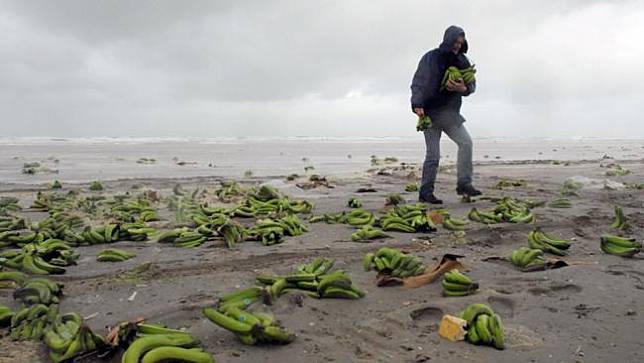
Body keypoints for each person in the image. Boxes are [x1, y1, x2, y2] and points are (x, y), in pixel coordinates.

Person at [410, 25, 482, 204]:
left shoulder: (463, 62)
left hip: (450, 115)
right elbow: (418, 82)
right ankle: (426, 193)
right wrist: (417, 104)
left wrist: (463, 88)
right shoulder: (430, 58)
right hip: (430, 114)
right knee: (433, 155)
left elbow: (472, 85)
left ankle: (464, 184)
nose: (457, 45)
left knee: (466, 143)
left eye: (461, 42)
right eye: (455, 41)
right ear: (447, 39)